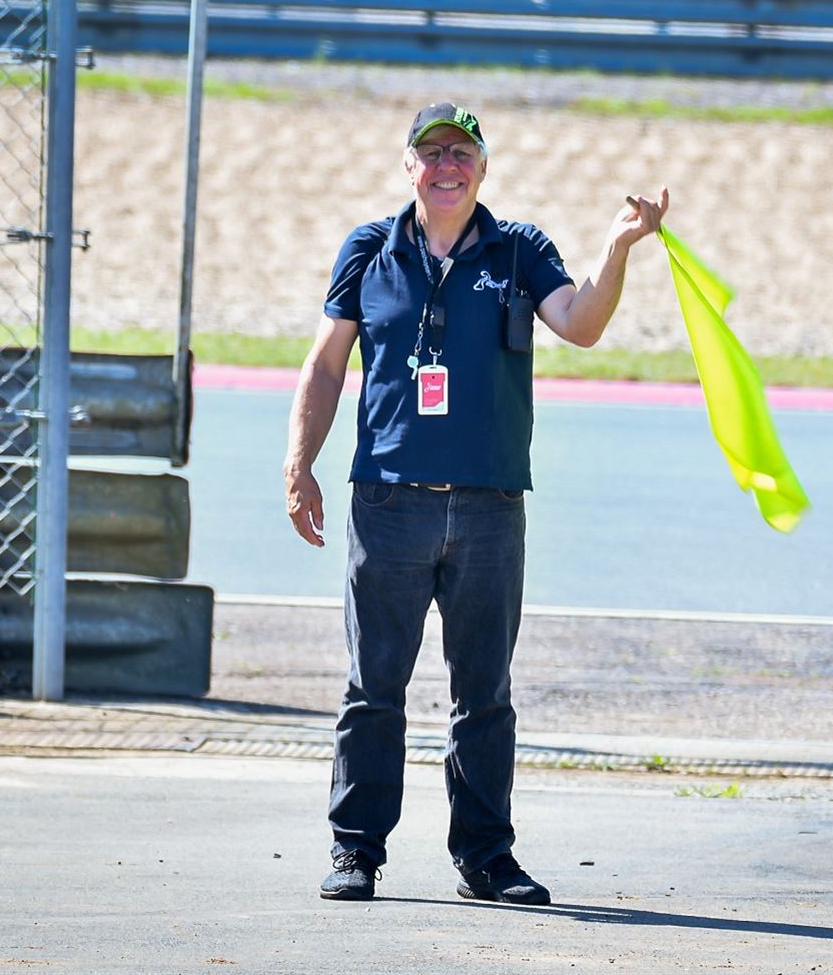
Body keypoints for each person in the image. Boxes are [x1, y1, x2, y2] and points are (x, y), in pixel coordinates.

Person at [284, 101, 668, 905]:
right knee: (372, 687)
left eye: (462, 153)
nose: (447, 166)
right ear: (409, 167)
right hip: (389, 502)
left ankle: (487, 859)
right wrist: (300, 463)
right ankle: (355, 851)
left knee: (484, 694)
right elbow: (325, 364)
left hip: (490, 505)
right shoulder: (368, 250)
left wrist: (618, 246)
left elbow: (581, 324)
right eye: (432, 153)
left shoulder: (519, 249)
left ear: (484, 167)